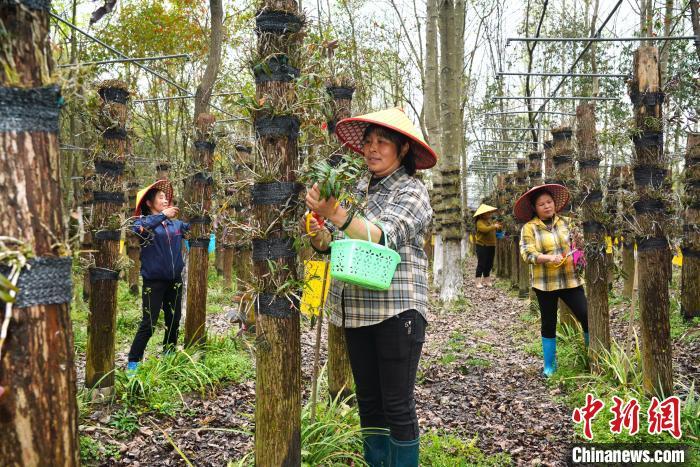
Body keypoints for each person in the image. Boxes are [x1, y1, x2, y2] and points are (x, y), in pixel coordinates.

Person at [302, 108, 435, 466]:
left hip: (397, 309)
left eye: (383, 143)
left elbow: (381, 236)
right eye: (369, 142)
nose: (373, 149)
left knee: (396, 402)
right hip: (356, 309)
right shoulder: (357, 188)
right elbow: (333, 244)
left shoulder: (413, 191)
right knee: (369, 402)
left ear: (403, 149)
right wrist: (319, 232)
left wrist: (336, 214)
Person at [515, 184, 589, 377]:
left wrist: (580, 257)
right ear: (535, 208)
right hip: (545, 284)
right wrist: (548, 258)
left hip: (570, 281)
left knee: (586, 316)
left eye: (549, 202)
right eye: (541, 204)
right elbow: (527, 253)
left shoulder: (567, 223)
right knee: (549, 323)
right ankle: (549, 366)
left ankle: (593, 358)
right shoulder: (529, 228)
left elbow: (578, 245)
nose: (547, 206)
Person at [126, 180, 189, 372]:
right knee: (149, 323)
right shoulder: (143, 223)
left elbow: (192, 228)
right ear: (149, 203)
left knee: (174, 318)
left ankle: (169, 355)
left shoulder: (176, 224)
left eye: (165, 198)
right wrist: (162, 216)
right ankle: (133, 363)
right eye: (160, 198)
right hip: (154, 281)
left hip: (174, 279)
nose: (164, 200)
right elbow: (137, 230)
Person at [472, 203, 501, 288]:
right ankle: (477, 282)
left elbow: (492, 230)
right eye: (487, 212)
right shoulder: (479, 222)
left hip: (491, 245)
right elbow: (484, 230)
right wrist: (494, 226)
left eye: (490, 212)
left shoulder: (489, 221)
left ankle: (487, 280)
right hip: (482, 245)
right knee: (482, 263)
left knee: (489, 264)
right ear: (482, 214)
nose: (489, 214)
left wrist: (497, 228)